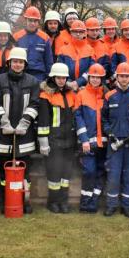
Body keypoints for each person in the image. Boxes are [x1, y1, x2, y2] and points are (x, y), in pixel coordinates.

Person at [0, 47, 40, 214]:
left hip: (24, 136)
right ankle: (7, 200)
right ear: (9, 62)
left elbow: (34, 104)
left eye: (20, 62)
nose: (17, 64)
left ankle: (24, 200)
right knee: (3, 171)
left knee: (25, 171)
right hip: (2, 136)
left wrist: (25, 122)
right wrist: (4, 122)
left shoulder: (32, 81)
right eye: (14, 61)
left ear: (24, 64)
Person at [102, 62, 129, 218]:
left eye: (127, 76)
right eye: (121, 76)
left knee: (128, 175)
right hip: (114, 143)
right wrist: (109, 132)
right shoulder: (109, 96)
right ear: (117, 77)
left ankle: (127, 206)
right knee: (113, 175)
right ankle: (111, 205)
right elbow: (104, 118)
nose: (124, 79)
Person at [37, 63, 79, 214]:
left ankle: (63, 202)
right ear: (53, 77)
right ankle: (52, 202)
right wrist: (43, 142)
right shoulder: (45, 95)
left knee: (66, 175)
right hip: (53, 142)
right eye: (59, 77)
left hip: (69, 141)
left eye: (64, 77)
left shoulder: (71, 94)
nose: (61, 80)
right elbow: (42, 121)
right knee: (54, 174)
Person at [75, 64, 107, 213]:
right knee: (89, 172)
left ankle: (94, 201)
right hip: (88, 143)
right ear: (88, 78)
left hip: (104, 143)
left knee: (101, 172)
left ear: (102, 79)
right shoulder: (81, 95)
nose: (95, 80)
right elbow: (78, 118)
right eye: (92, 77)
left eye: (98, 77)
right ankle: (85, 202)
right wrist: (84, 140)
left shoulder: (107, 95)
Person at [13, 6, 53, 82]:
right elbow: (12, 59)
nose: (32, 23)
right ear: (26, 20)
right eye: (30, 20)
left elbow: (48, 61)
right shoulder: (16, 37)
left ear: (38, 22)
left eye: (35, 21)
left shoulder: (45, 38)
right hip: (21, 74)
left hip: (39, 76)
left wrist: (48, 79)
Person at [56, 20, 96, 90]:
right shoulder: (63, 49)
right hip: (66, 86)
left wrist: (79, 82)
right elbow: (60, 69)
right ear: (71, 33)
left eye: (80, 32)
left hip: (85, 87)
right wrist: (69, 83)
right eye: (75, 31)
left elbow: (91, 69)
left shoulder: (90, 50)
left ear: (84, 33)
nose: (78, 34)